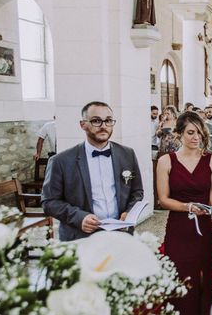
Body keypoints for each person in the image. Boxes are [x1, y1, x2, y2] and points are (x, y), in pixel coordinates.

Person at [143, 111, 212, 315]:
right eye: (190, 132)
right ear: (179, 133)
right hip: (179, 228)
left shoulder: (211, 160)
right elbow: (163, 199)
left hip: (203, 229)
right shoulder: (166, 161)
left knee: (203, 281)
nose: (196, 137)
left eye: (199, 132)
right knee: (181, 281)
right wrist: (188, 207)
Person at [41, 101, 144, 241]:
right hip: (80, 236)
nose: (103, 126)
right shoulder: (61, 161)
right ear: (83, 124)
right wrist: (79, 217)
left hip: (120, 233)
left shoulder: (127, 154)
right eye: (96, 121)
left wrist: (128, 213)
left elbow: (137, 192)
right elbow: (49, 202)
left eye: (108, 121)